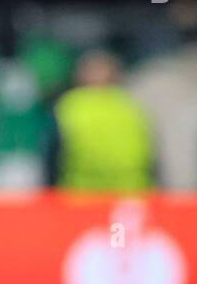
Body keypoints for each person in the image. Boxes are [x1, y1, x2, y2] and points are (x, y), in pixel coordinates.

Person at [46, 50, 155, 192]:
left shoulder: (69, 105)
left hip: (81, 192)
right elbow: (149, 148)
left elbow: (53, 151)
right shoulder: (131, 105)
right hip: (130, 192)